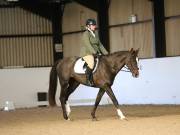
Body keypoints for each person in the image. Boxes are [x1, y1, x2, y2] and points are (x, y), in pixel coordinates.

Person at [80, 18, 108, 86]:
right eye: (93, 25)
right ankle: (88, 79)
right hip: (87, 53)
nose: (95, 26)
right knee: (91, 63)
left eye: (95, 25)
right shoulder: (85, 34)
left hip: (96, 53)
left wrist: (107, 53)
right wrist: (94, 52)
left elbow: (100, 45)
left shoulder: (95, 34)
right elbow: (88, 44)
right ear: (88, 26)